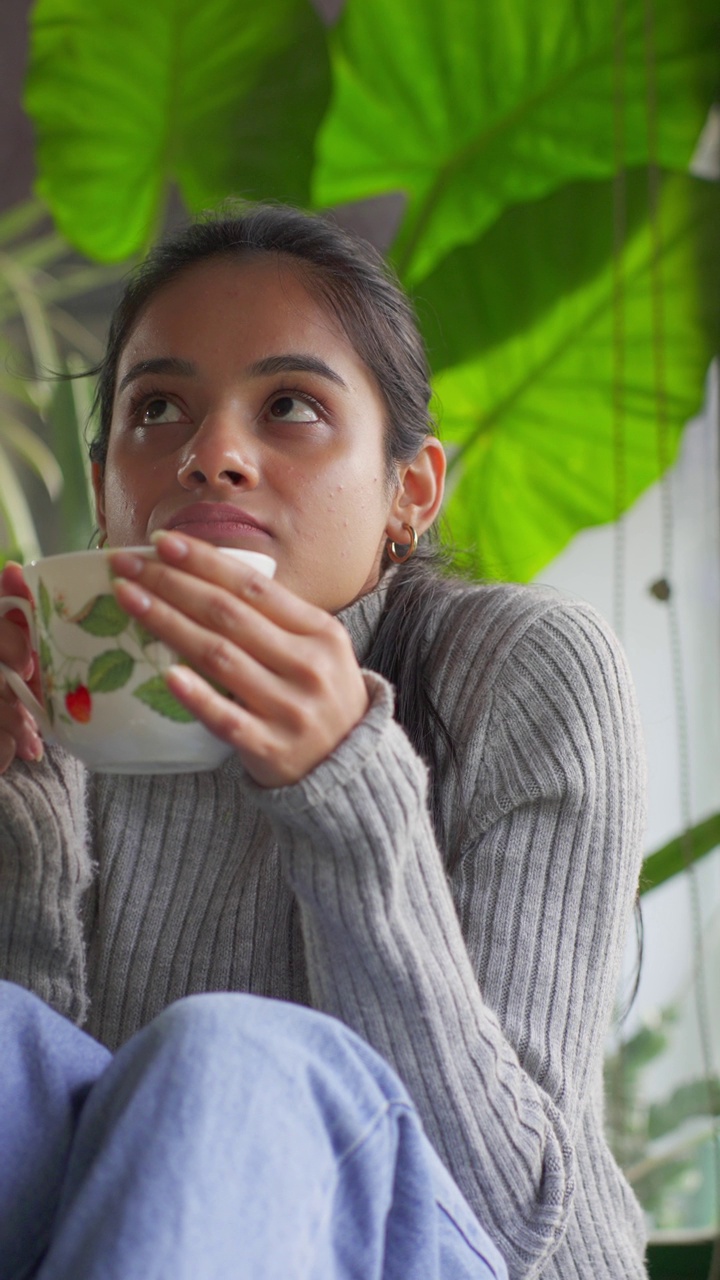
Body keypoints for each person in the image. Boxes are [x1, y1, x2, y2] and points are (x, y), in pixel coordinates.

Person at [0, 203, 648, 1279]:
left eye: (290, 404)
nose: (211, 457)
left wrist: (347, 788)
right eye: (156, 408)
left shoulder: (526, 668)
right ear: (108, 479)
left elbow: (506, 1205)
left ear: (411, 492)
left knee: (231, 1054)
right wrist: (21, 804)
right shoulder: (58, 687)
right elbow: (53, 1156)